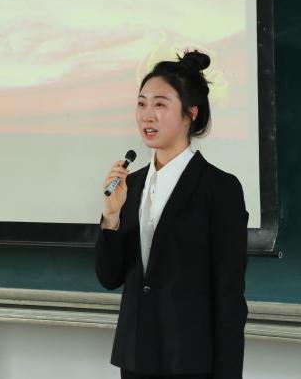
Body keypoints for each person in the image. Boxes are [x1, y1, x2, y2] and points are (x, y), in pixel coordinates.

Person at [95, 50, 248, 379]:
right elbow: (109, 277)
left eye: (160, 105)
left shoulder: (220, 189)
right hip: (136, 358)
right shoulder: (131, 186)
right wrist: (111, 217)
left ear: (190, 114)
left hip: (191, 361)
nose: (147, 116)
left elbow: (229, 297)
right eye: (141, 104)